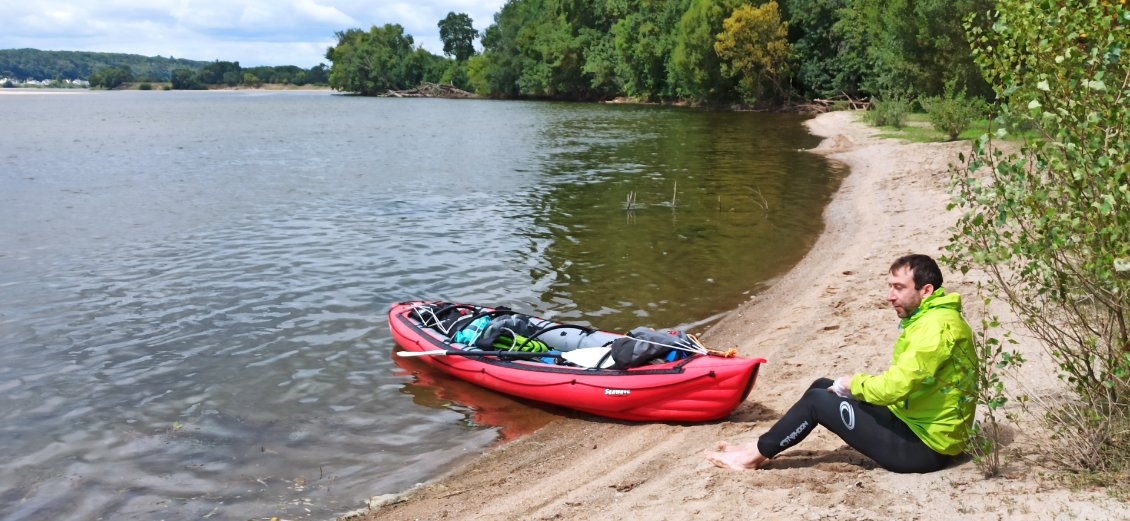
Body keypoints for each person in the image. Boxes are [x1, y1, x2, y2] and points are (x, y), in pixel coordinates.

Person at [704, 254, 976, 473]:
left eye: (899, 288)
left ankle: (749, 458)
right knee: (822, 386)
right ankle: (758, 448)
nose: (889, 296)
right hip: (914, 424)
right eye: (890, 286)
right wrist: (852, 386)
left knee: (817, 402)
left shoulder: (934, 329)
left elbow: (896, 387)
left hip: (923, 449)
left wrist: (854, 384)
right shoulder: (931, 319)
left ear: (926, 290)